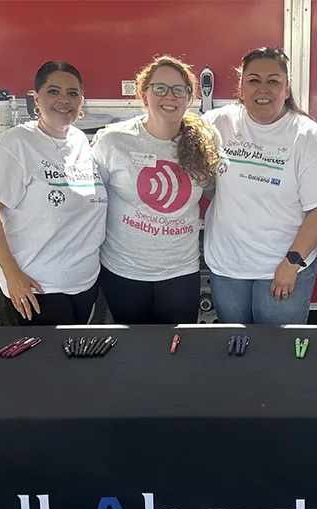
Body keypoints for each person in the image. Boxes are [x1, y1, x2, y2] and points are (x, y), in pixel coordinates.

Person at [202, 47, 317, 325]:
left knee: (276, 354)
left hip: (283, 268)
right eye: (253, 80)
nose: (263, 89)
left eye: (273, 81)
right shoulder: (217, 123)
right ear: (241, 88)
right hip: (227, 266)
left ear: (287, 89)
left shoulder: (306, 134)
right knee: (234, 345)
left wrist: (292, 263)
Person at [0, 61, 107, 325]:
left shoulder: (80, 140)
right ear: (36, 99)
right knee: (43, 365)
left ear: (82, 101)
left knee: (79, 360)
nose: (64, 100)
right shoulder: (15, 143)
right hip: (38, 288)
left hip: (84, 282)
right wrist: (13, 275)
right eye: (53, 91)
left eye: (73, 93)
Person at [91, 56, 220, 324]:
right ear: (144, 94)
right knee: (132, 349)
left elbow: (213, 191)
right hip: (123, 270)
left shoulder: (204, 141)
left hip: (179, 271)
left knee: (174, 347)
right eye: (160, 88)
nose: (169, 97)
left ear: (189, 97)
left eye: (178, 89)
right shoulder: (113, 141)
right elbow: (93, 202)